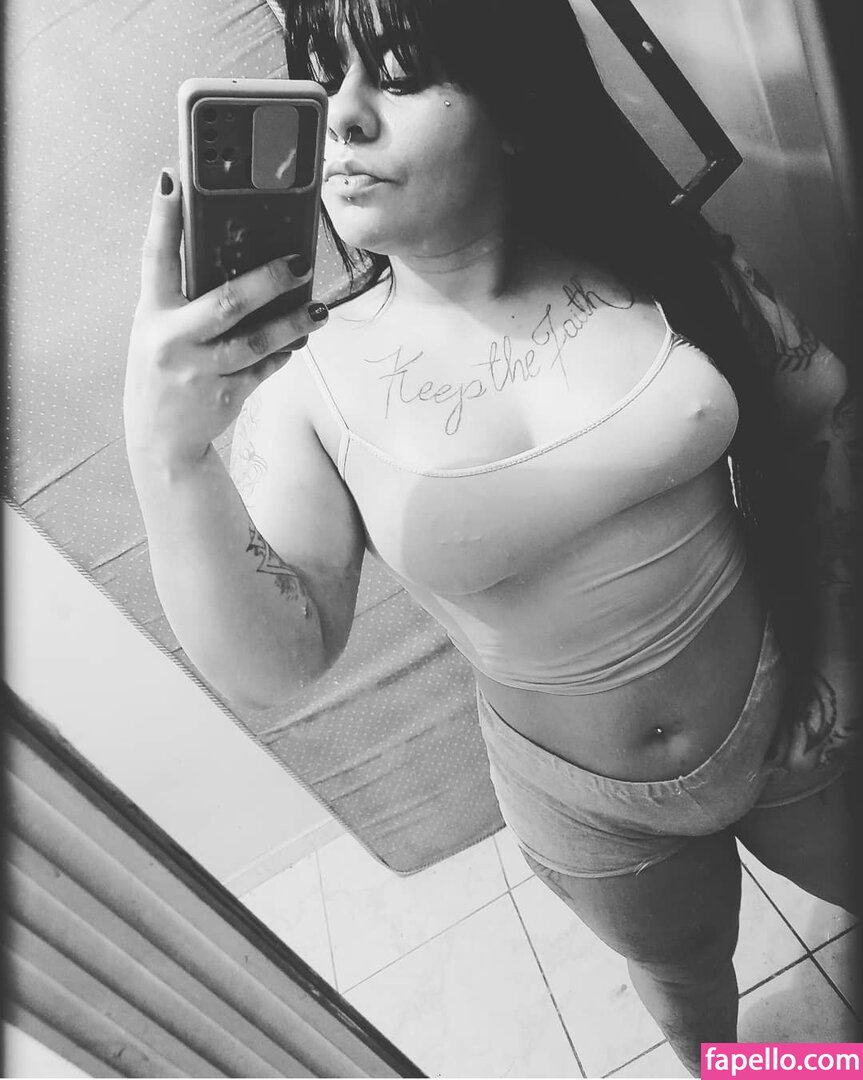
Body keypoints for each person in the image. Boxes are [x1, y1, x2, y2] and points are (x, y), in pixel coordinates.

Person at [123, 0, 860, 1071]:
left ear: (514, 105)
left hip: (784, 693)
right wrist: (170, 458)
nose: (343, 119)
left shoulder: (657, 253)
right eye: (322, 76)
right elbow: (279, 663)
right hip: (587, 806)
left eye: (398, 72)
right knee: (692, 988)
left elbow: (812, 420)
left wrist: (834, 648)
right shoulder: (303, 386)